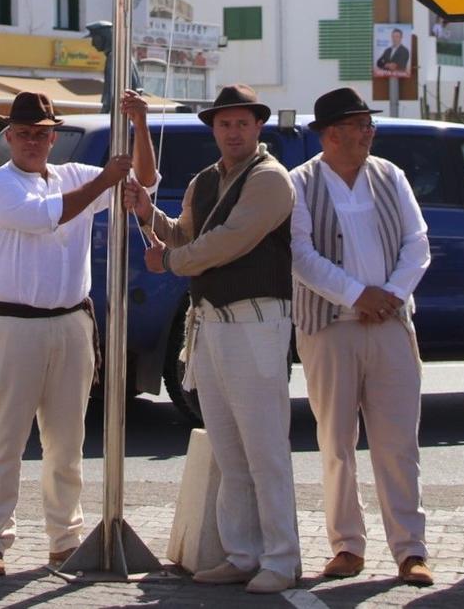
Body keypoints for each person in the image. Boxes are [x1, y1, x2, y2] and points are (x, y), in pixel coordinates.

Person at [0, 89, 156, 576]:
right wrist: (106, 182)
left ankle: (65, 539)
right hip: (13, 324)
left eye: (42, 134)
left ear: (54, 138)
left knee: (67, 440)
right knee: (5, 439)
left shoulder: (73, 175)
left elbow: (144, 182)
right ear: (9, 136)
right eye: (25, 133)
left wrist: (138, 125)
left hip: (71, 320)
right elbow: (42, 217)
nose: (33, 141)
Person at [124, 83, 299, 594]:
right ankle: (242, 553)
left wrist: (171, 261)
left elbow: (226, 242)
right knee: (228, 447)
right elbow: (181, 233)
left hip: (257, 320)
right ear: (214, 129)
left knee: (265, 447)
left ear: (258, 126)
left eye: (242, 122)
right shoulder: (206, 181)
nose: (233, 131)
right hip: (212, 324)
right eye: (225, 123)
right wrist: (145, 213)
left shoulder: (270, 179)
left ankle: (282, 558)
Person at [288, 87, 434, 586]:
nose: (369, 133)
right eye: (360, 126)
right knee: (335, 442)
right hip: (330, 328)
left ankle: (410, 550)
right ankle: (346, 546)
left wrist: (390, 294)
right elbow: (301, 256)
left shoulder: (389, 175)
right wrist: (356, 294)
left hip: (390, 322)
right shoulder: (300, 183)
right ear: (331, 134)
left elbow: (417, 241)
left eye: (369, 125)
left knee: (399, 442)